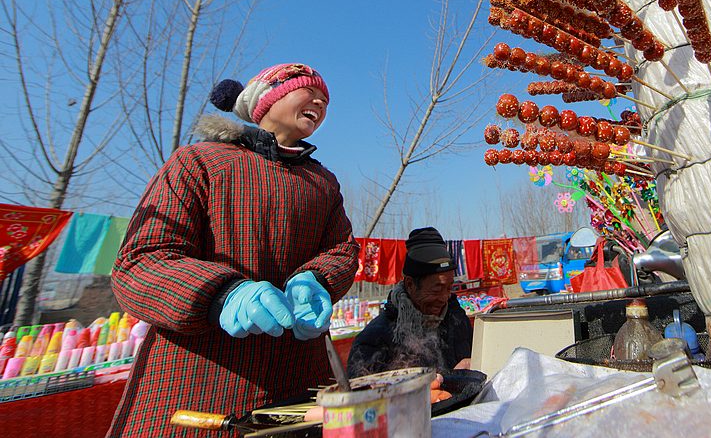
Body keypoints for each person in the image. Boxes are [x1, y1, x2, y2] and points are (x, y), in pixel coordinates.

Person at [108, 63, 360, 436]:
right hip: (199, 386)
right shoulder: (199, 161)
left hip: (300, 384)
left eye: (325, 97)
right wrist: (222, 294)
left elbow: (342, 249)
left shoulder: (323, 182)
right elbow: (139, 262)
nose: (320, 99)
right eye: (307, 88)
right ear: (265, 99)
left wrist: (317, 278)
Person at [346, 227, 472, 378]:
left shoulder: (456, 318)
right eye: (437, 289)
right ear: (410, 285)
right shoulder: (376, 339)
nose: (444, 297)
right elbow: (363, 395)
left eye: (449, 288)